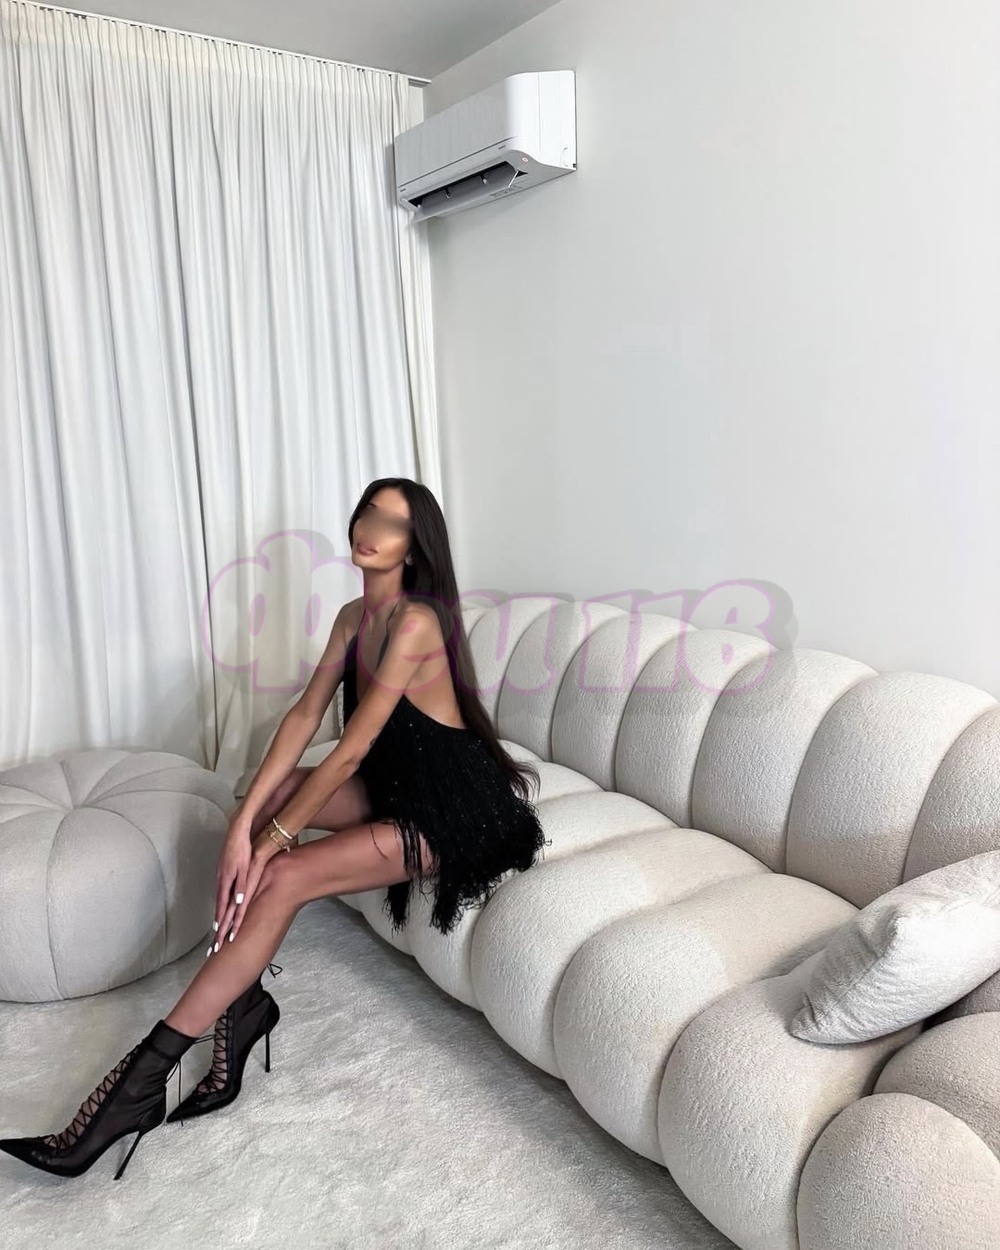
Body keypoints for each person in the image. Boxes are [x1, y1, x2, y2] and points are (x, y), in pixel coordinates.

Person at [0, 478, 550, 1180]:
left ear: (415, 549)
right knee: (265, 801)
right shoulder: (353, 617)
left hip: (449, 809)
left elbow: (349, 748)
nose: (370, 528)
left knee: (284, 872)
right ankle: (246, 1006)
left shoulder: (417, 623)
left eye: (392, 523)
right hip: (392, 784)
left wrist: (271, 842)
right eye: (368, 511)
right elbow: (305, 717)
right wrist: (242, 827)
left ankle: (134, 1088)